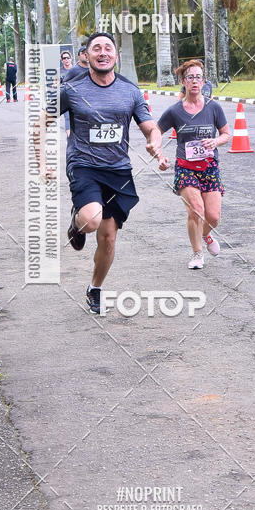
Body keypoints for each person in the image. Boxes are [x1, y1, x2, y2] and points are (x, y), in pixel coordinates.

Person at [36, 31, 162, 314]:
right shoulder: (72, 89)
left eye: (108, 48)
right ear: (87, 55)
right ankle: (77, 220)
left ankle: (95, 288)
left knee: (108, 238)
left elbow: (150, 126)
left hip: (118, 171)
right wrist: (42, 163)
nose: (103, 52)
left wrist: (154, 141)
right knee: (91, 220)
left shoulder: (130, 91)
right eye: (96, 48)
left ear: (115, 55)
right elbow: (39, 123)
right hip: (84, 166)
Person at [147, 59, 230, 269]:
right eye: (190, 77)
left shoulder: (214, 108)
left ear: (203, 81)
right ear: (183, 81)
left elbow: (226, 134)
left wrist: (216, 141)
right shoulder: (175, 111)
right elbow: (156, 130)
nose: (195, 81)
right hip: (185, 167)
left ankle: (205, 236)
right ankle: (197, 253)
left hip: (210, 167)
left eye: (198, 77)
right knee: (196, 209)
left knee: (213, 216)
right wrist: (158, 153)